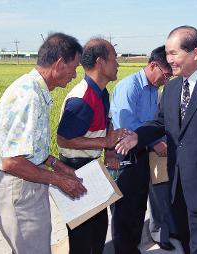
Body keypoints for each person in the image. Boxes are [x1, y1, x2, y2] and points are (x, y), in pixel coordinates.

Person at [116, 25, 197, 254]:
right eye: (167, 53)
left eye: (174, 53)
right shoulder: (173, 87)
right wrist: (138, 136)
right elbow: (160, 123)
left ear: (195, 53)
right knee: (185, 242)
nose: (169, 59)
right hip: (177, 185)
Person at [0, 33, 87, 254]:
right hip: (21, 187)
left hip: (27, 183)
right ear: (60, 63)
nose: (75, 74)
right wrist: (59, 180)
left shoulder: (33, 89)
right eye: (74, 66)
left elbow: (27, 147)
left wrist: (55, 163)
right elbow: (12, 161)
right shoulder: (29, 96)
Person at [56, 38, 125, 254]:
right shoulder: (82, 99)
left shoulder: (101, 92)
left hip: (92, 168)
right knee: (82, 238)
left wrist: (110, 150)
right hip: (76, 169)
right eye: (114, 59)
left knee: (97, 231)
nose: (118, 64)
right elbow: (63, 140)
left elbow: (105, 123)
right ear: (100, 62)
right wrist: (106, 142)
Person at [110, 46, 177, 253]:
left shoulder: (153, 89)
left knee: (139, 207)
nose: (166, 81)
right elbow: (125, 123)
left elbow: (154, 122)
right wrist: (152, 142)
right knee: (124, 209)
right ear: (153, 65)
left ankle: (133, 248)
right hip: (125, 155)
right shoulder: (130, 86)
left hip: (142, 156)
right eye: (165, 75)